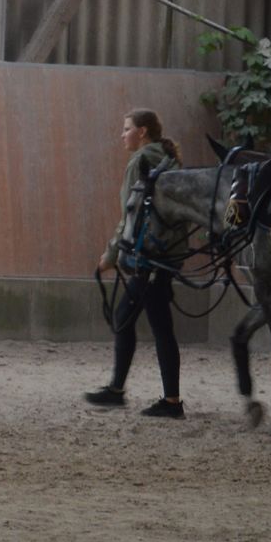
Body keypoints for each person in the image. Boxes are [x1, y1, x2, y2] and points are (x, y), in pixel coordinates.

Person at [85, 109, 196, 418]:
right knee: (138, 320)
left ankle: (167, 401)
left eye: (127, 129)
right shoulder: (168, 160)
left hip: (149, 257)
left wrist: (110, 255)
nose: (122, 135)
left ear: (142, 131)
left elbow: (130, 216)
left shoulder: (141, 161)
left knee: (145, 322)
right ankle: (121, 391)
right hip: (167, 254)